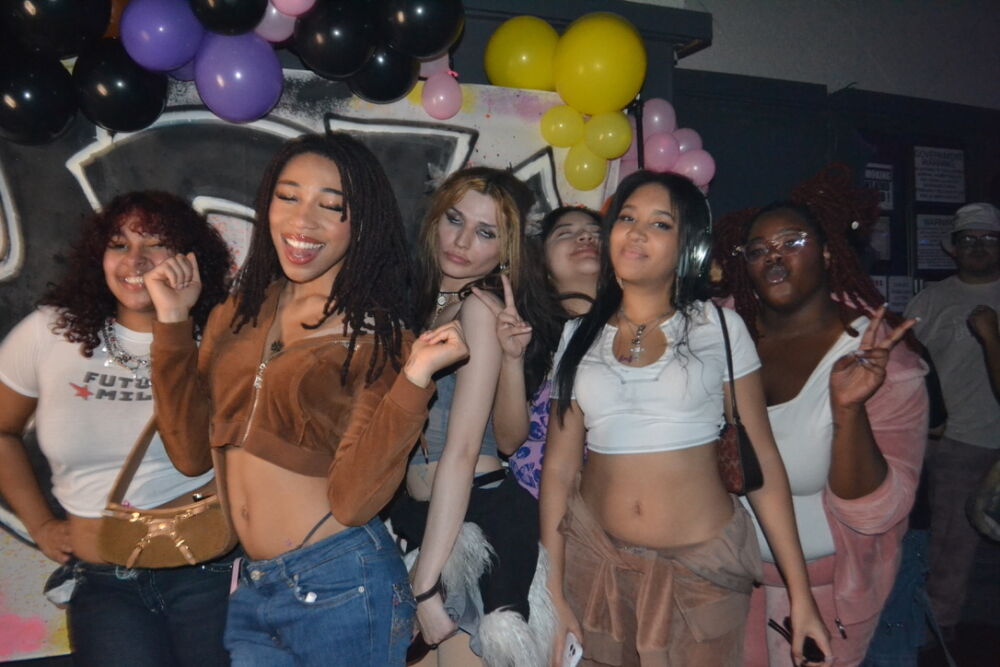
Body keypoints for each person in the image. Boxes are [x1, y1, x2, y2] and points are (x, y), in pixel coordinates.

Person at [145, 133, 468, 666]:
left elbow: (354, 502)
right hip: (252, 583)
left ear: (362, 223)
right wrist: (173, 322)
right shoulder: (238, 312)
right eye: (288, 196)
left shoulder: (378, 338)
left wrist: (413, 379)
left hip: (343, 581)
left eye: (331, 206)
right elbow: (189, 454)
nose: (302, 221)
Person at [541, 170, 830, 667]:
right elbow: (560, 468)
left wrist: (800, 596)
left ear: (687, 246)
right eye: (627, 219)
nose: (636, 233)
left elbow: (762, 462)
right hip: (597, 568)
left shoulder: (719, 327)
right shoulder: (576, 335)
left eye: (660, 224)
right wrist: (553, 588)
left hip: (699, 578)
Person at [0, 191, 234, 666]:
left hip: (208, 575)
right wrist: (41, 525)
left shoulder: (219, 338)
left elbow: (207, 455)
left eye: (157, 244)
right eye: (119, 244)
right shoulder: (50, 332)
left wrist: (175, 320)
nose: (136, 260)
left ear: (190, 258)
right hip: (104, 584)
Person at [714, 166, 929, 666]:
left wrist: (847, 410)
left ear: (828, 252)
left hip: (832, 593)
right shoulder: (719, 340)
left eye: (792, 242)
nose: (773, 256)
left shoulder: (881, 360)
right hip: (729, 586)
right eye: (757, 249)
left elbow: (878, 512)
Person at [389, 167, 541, 666]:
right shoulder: (425, 310)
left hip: (476, 520)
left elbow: (467, 450)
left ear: (505, 251)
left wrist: (424, 583)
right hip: (429, 519)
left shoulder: (477, 310)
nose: (462, 241)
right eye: (454, 220)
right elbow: (508, 438)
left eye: (485, 232)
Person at [903, 202, 1000, 636]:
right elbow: (905, 364)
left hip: (993, 441)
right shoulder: (931, 299)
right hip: (950, 443)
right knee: (947, 547)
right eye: (968, 239)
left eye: (988, 238)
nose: (978, 246)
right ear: (954, 248)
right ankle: (936, 633)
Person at [487, 205, 602, 499]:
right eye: (566, 233)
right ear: (543, 262)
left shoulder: (635, 332)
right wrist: (512, 359)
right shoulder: (531, 337)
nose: (585, 237)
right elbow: (508, 442)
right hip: (535, 506)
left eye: (596, 233)